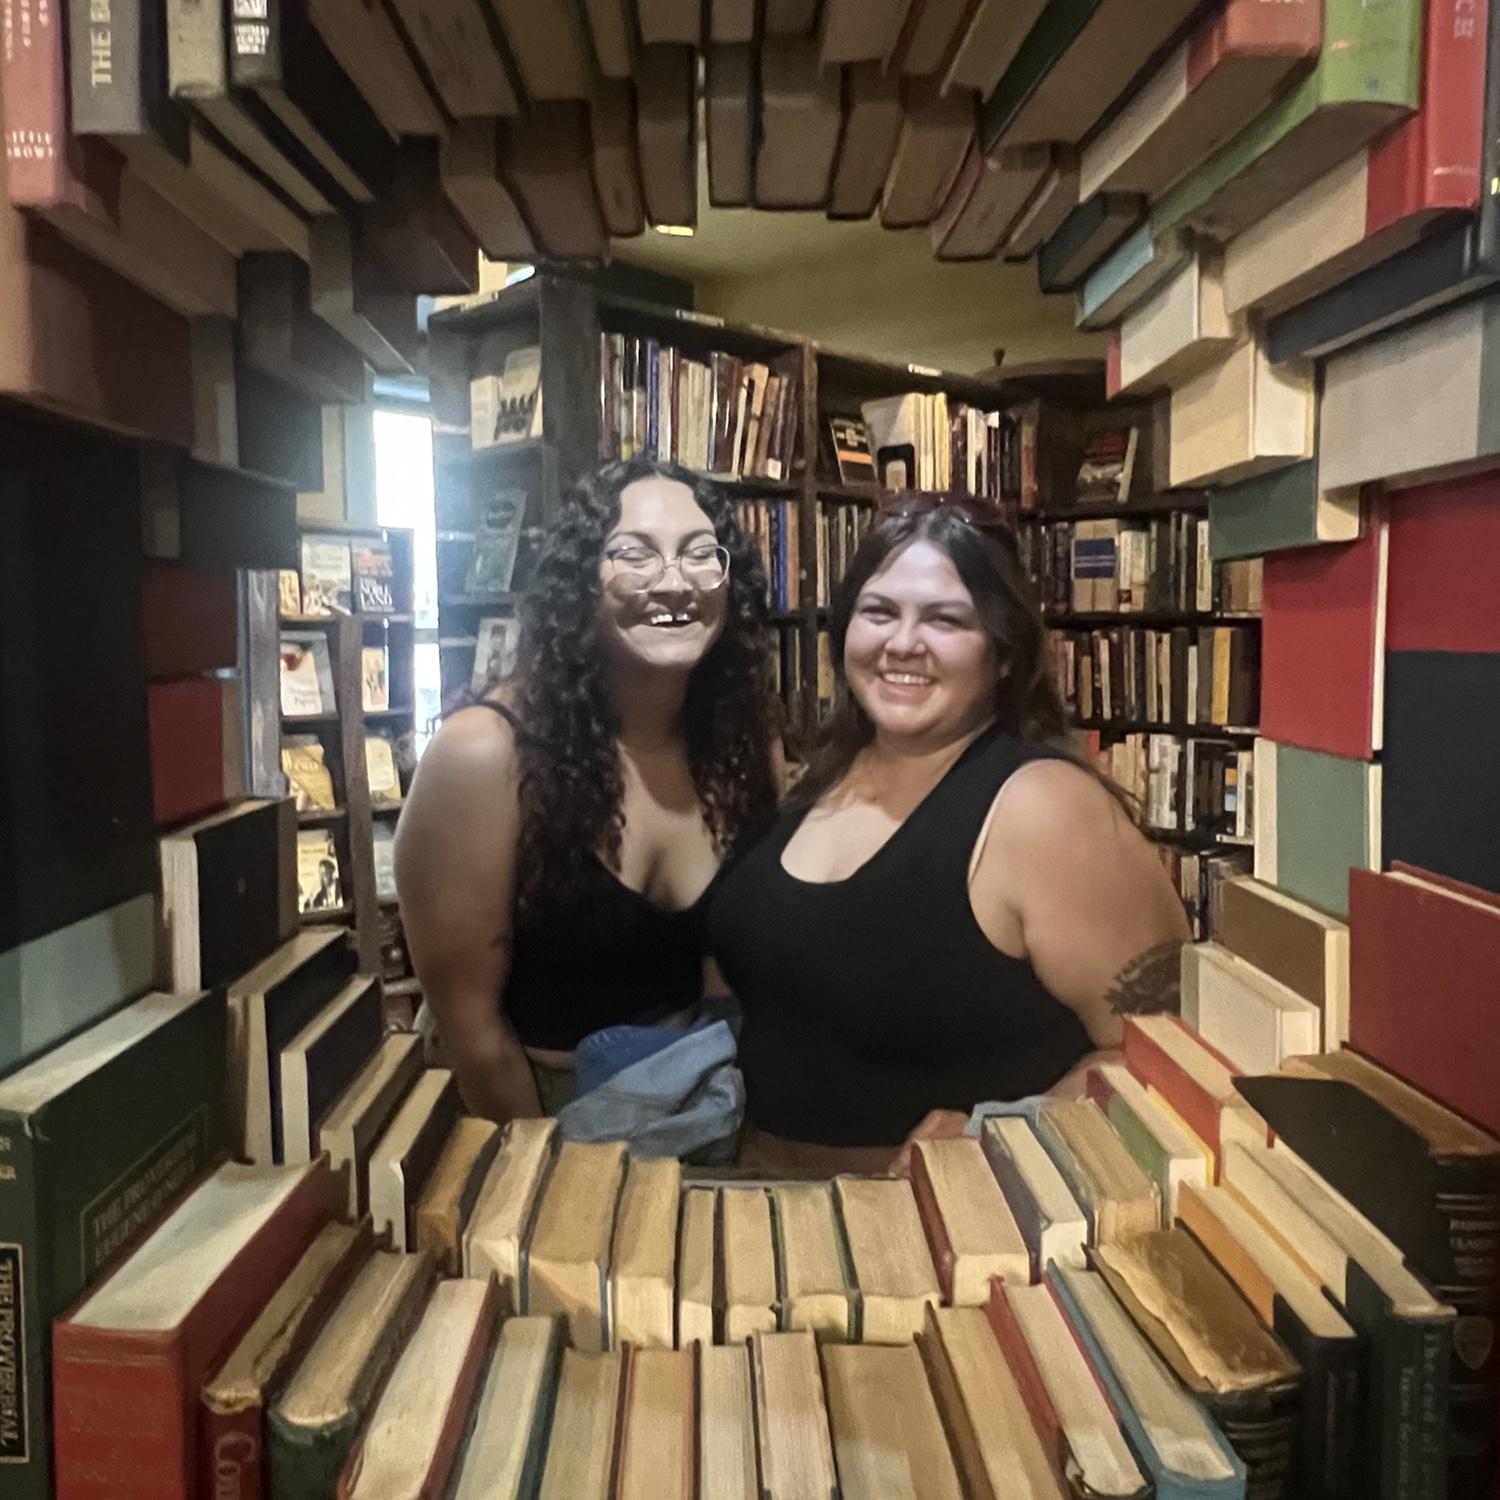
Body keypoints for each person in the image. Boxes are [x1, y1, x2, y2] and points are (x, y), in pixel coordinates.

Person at [709, 502, 1191, 1176]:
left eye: (945, 619)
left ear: (1002, 654)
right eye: (879, 612)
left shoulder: (1042, 808)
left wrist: (998, 1139)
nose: (902, 643)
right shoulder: (818, 776)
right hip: (761, 1203)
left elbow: (1165, 1052)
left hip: (940, 1240)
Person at [395, 459, 779, 1123]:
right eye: (634, 554)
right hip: (536, 1114)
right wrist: (552, 1186)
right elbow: (473, 1037)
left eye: (700, 555)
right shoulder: (484, 756)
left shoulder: (741, 747)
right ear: (579, 584)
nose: (674, 582)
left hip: (706, 1099)